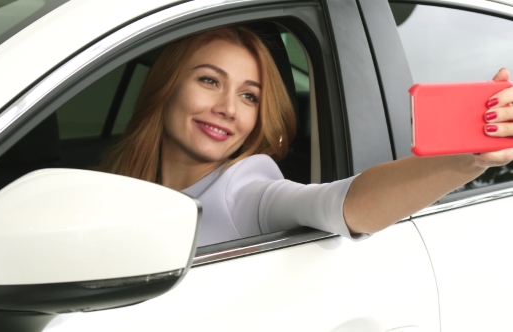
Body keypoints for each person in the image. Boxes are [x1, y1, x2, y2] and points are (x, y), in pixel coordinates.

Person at [99, 26, 513, 246]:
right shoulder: (111, 179)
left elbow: (346, 204)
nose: (228, 107)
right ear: (166, 86)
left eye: (249, 96)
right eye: (210, 80)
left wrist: (470, 159)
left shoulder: (243, 188)